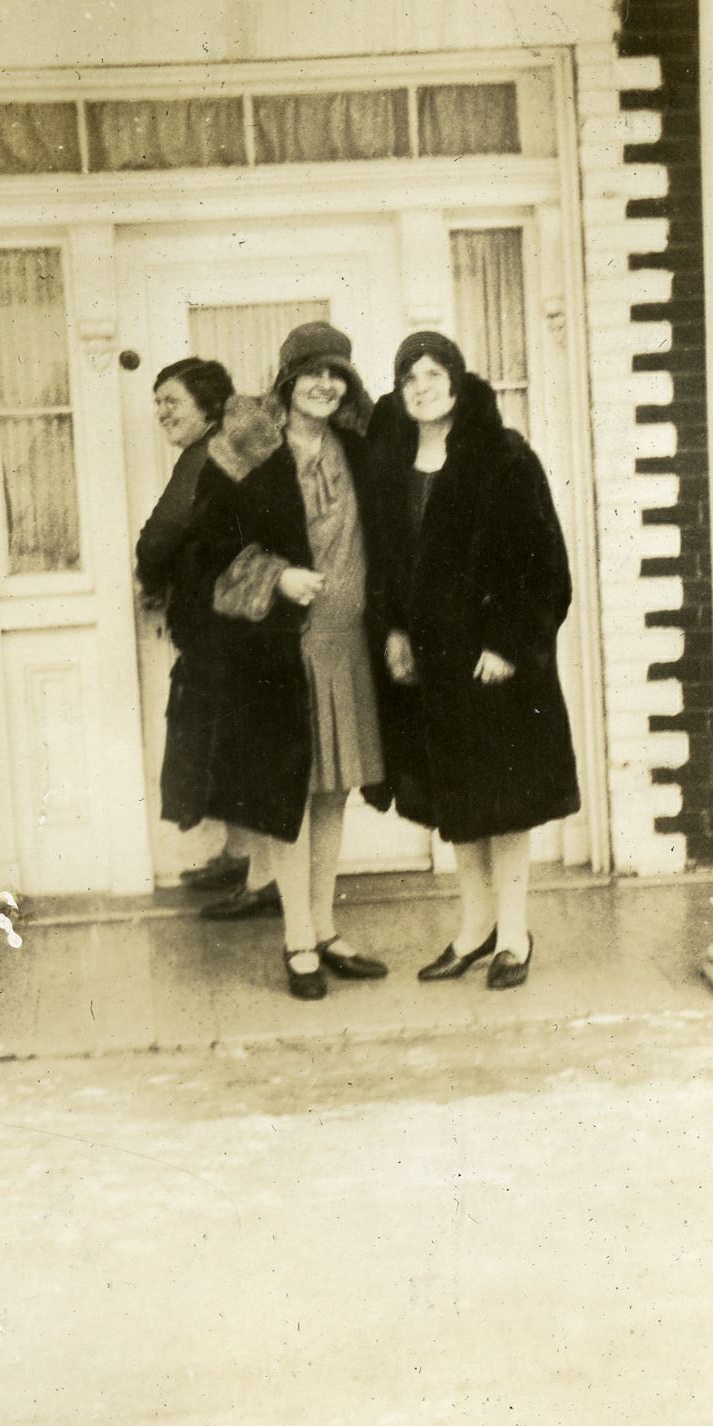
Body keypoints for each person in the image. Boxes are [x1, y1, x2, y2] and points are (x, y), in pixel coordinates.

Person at [174, 322, 394, 1001]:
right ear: (288, 380)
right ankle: (297, 938)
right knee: (289, 794)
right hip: (280, 651)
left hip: (346, 646)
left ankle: (325, 929)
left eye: (337, 374)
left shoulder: (355, 449)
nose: (325, 384)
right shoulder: (246, 451)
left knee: (333, 789)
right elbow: (203, 554)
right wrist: (275, 577)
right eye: (312, 373)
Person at [366, 330, 579, 990]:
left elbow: (544, 565)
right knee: (457, 798)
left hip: (494, 666)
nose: (420, 387)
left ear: (456, 381)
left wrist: (509, 645)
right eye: (408, 378)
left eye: (431, 374)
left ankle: (513, 934)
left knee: (504, 799)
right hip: (432, 666)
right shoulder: (394, 459)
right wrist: (393, 631)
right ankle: (473, 928)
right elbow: (388, 565)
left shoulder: (503, 455)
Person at [135, 357, 278, 920]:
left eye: (171, 400)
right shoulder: (223, 449)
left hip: (233, 630)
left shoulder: (205, 456)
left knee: (243, 750)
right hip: (234, 624)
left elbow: (160, 536)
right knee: (232, 748)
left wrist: (151, 578)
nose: (162, 412)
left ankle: (263, 880)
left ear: (208, 405)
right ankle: (243, 857)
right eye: (157, 403)